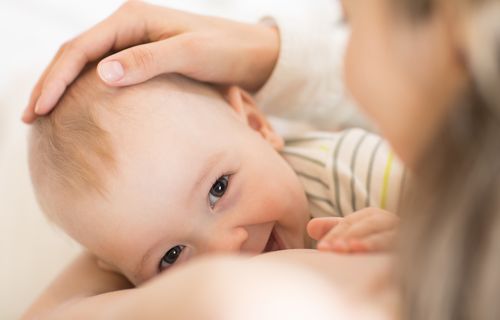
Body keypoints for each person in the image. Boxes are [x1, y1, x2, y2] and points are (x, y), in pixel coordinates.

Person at [23, 0, 500, 319]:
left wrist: (408, 238)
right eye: (171, 256)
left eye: (218, 189)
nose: (226, 247)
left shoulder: (356, 170)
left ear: (256, 125)